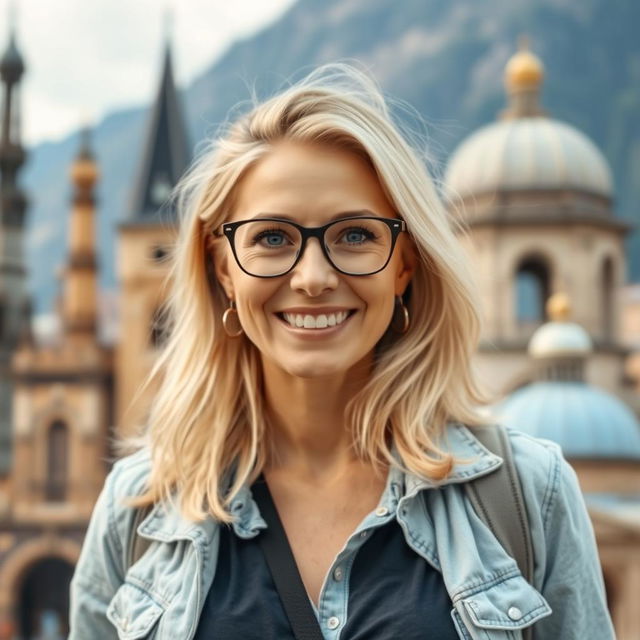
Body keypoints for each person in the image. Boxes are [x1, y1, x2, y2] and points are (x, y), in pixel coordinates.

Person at [69, 64, 614, 639]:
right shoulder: (138, 511)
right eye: (272, 237)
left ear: (405, 263)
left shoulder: (528, 494)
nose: (312, 277)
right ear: (222, 267)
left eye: (355, 235)